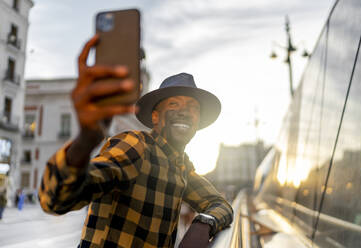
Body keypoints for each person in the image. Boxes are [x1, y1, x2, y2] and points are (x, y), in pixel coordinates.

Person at [38, 35, 233, 248]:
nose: (185, 112)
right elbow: (58, 199)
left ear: (198, 121)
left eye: (193, 107)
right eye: (174, 104)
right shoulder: (136, 145)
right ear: (156, 117)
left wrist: (204, 222)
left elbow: (219, 204)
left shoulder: (182, 166)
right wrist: (85, 141)